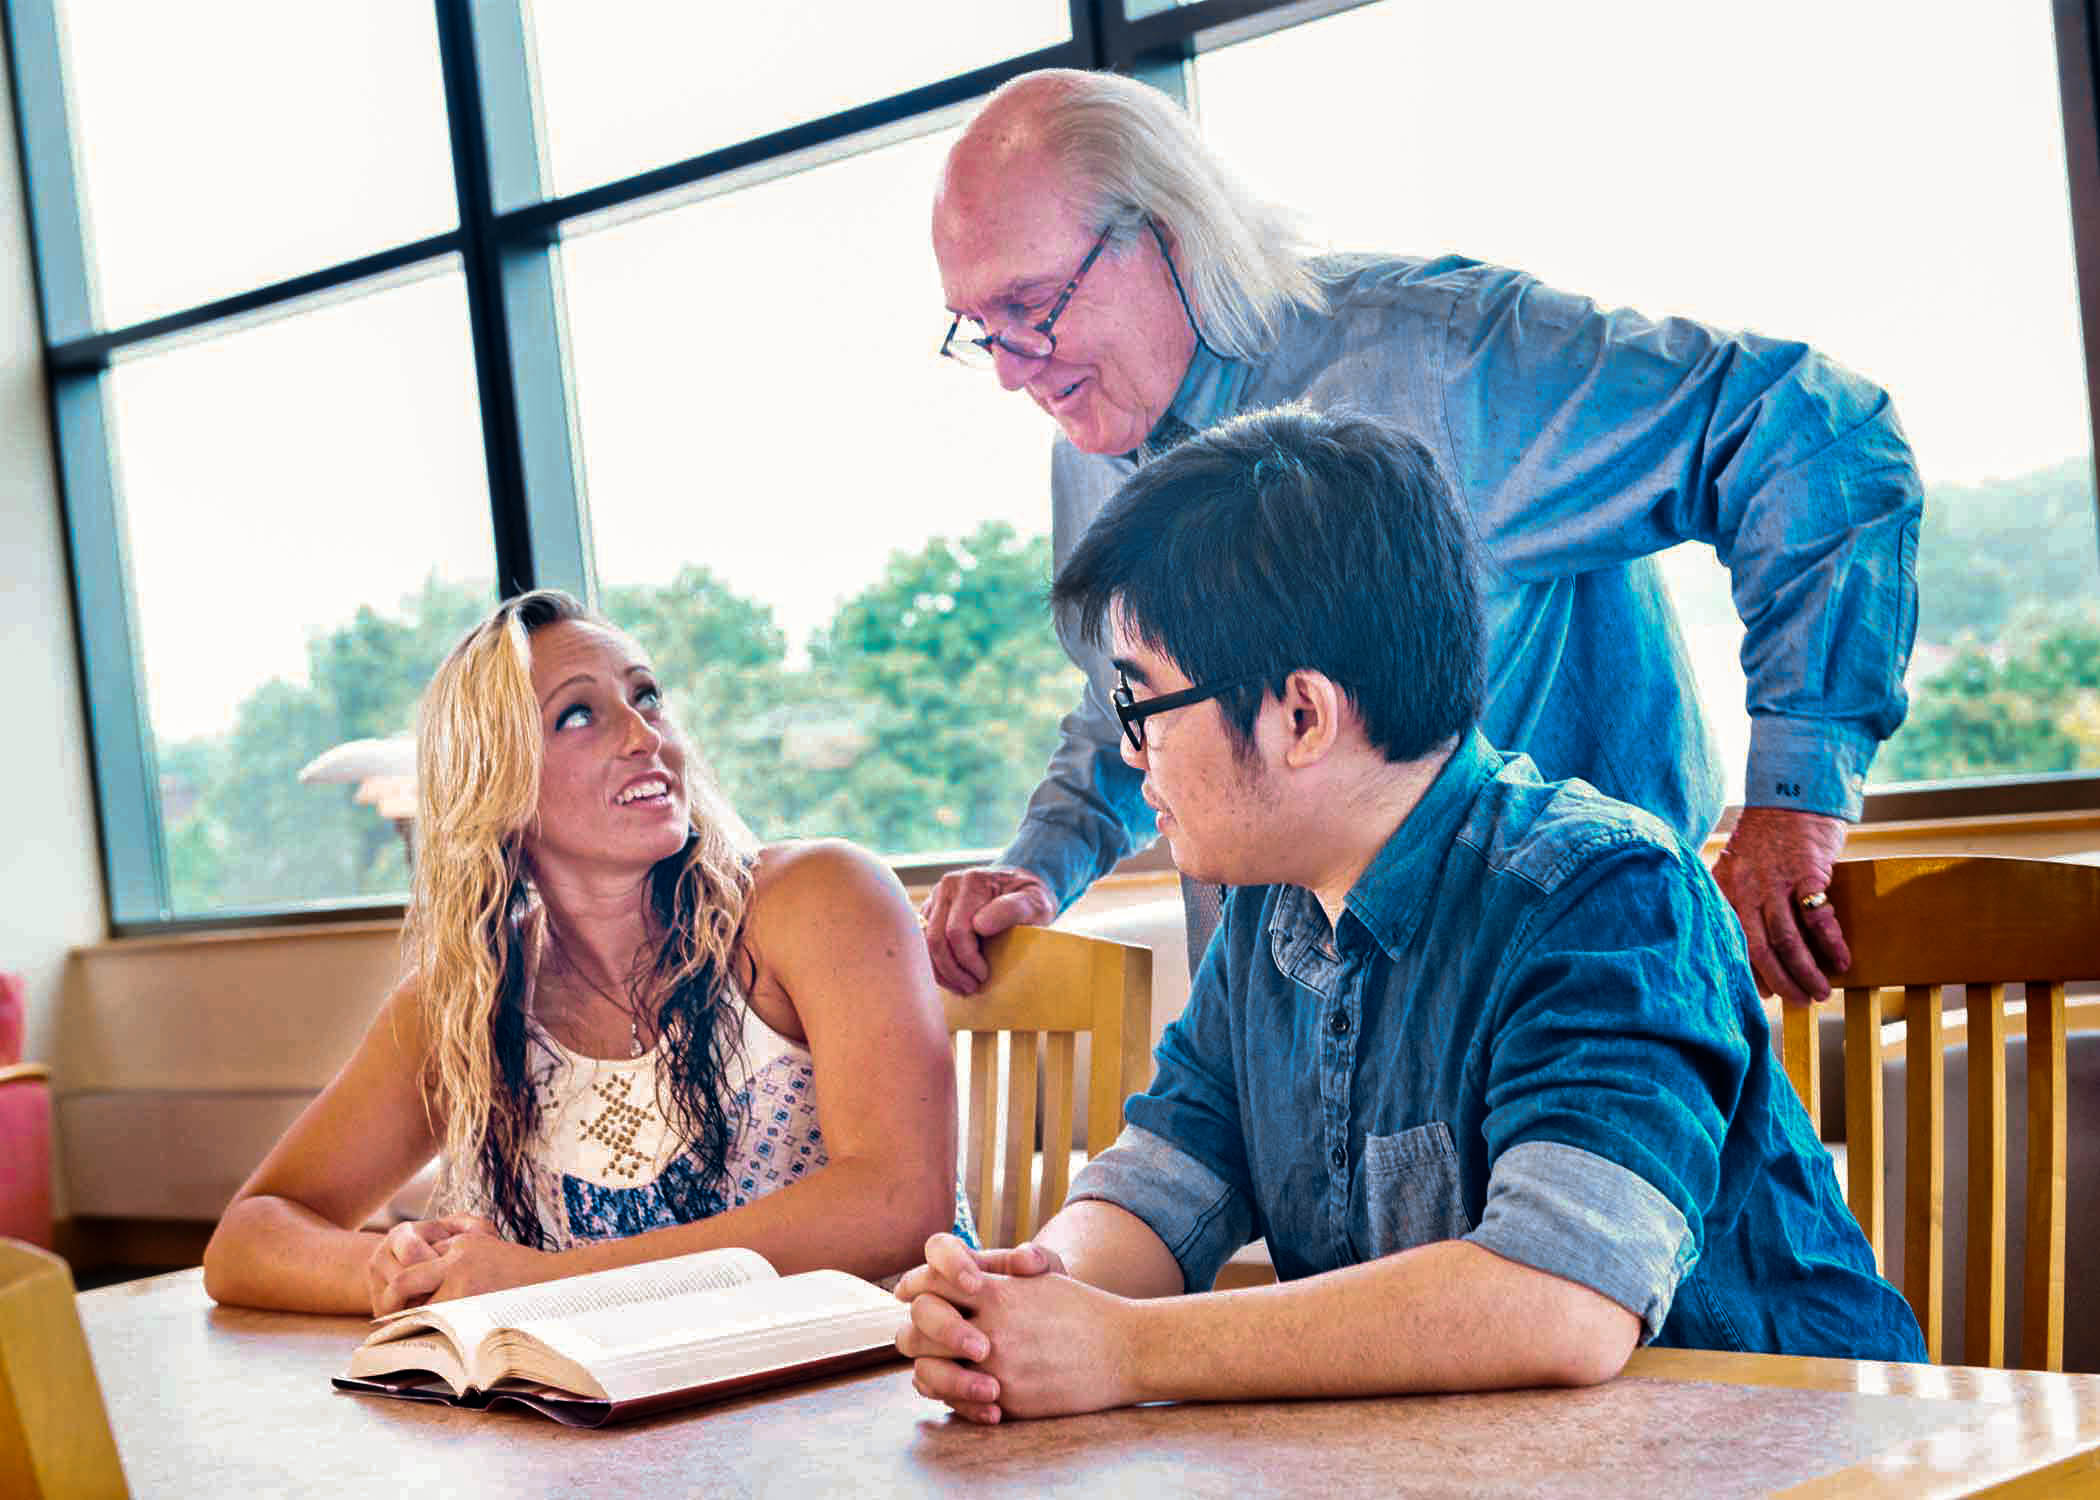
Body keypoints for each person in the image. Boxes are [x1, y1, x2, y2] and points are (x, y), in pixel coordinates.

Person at [895, 406, 1925, 1424]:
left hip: (1786, 1457)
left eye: (1144, 706)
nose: (1129, 753)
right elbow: (1165, 1185)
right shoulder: (1269, 912)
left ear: (1303, 715)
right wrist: (1025, 1300)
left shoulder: (1608, 894)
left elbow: (1560, 1300)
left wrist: (1122, 1348)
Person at [920, 67, 1921, 1008]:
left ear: (1167, 236)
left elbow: (1808, 432)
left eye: (1029, 305)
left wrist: (1795, 796)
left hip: (1570, 1000)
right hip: (1302, 1058)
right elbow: (1135, 706)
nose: (1012, 370)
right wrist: (1036, 865)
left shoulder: (1435, 362)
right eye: (977, 328)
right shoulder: (1091, 449)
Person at [203, 590, 967, 1315]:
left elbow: (896, 1202)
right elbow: (251, 1237)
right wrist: (397, 1271)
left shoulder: (820, 896)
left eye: (646, 698)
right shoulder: (465, 1003)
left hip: (891, 1404)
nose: (645, 737)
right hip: (625, 1443)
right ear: (496, 784)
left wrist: (546, 1285)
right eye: (578, 715)